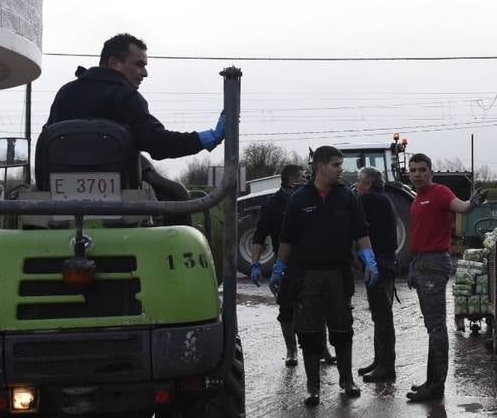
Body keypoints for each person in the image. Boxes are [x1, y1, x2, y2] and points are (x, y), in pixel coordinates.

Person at [45, 33, 225, 207]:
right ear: (114, 63)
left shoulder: (66, 93)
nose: (144, 73)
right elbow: (158, 143)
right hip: (122, 194)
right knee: (176, 194)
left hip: (58, 193)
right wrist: (206, 138)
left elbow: (48, 140)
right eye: (139, 65)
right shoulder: (127, 97)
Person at [271, 146, 380, 407]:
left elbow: (360, 231)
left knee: (343, 330)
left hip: (338, 274)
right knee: (309, 332)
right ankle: (313, 387)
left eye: (341, 164)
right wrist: (278, 267)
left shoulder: (347, 197)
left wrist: (369, 258)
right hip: (306, 275)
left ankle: (347, 380)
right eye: (336, 165)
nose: (341, 169)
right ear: (320, 167)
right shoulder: (298, 199)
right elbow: (287, 238)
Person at [404, 154, 486, 404]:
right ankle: (431, 381)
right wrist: (413, 263)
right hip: (422, 262)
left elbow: (460, 206)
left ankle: (436, 386)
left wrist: (472, 203)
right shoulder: (417, 197)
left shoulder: (439, 192)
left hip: (434, 262)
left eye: (422, 170)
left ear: (431, 172)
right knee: (432, 327)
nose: (417, 174)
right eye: (413, 170)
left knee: (437, 327)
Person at [250, 164, 328, 368]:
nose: (307, 179)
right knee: (286, 309)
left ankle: (323, 350)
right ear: (293, 180)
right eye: (303, 176)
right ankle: (291, 350)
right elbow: (259, 236)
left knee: (318, 307)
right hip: (285, 265)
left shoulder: (310, 199)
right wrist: (255, 263)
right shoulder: (272, 205)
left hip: (311, 262)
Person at [354, 166, 399, 383]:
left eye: (359, 181)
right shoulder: (382, 198)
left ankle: (386, 367)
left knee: (382, 317)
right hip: (384, 261)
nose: (356, 185)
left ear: (369, 184)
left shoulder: (369, 200)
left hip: (379, 262)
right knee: (379, 315)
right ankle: (379, 360)